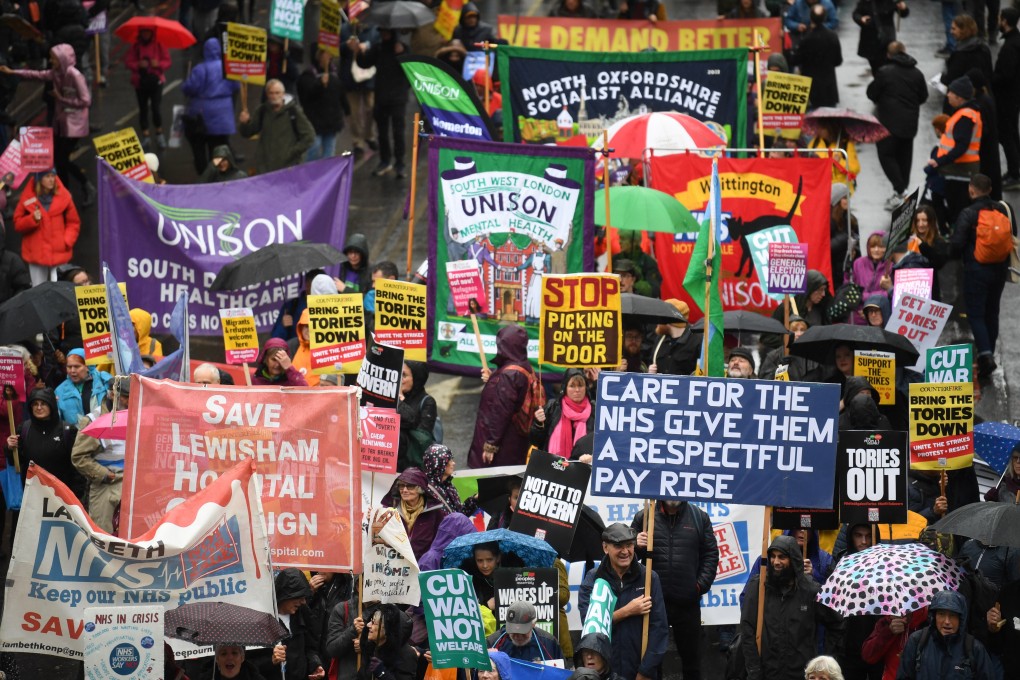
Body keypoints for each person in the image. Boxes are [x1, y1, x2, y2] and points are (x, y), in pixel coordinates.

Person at [630, 501, 718, 680]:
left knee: (692, 663)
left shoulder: (699, 517)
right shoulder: (644, 516)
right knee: (652, 663)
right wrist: (635, 545)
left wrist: (699, 586)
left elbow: (710, 553)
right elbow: (627, 557)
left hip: (687, 603)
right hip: (653, 603)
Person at [0, 45, 95, 206]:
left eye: (54, 58)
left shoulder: (75, 75)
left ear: (62, 59)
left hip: (75, 125)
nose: (51, 60)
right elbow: (36, 75)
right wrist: (12, 72)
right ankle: (66, 194)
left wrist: (61, 98)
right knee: (58, 159)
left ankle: (84, 185)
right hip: (61, 122)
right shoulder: (55, 73)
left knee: (61, 159)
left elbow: (86, 100)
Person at [740, 535, 844, 680]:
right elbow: (747, 630)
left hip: (802, 673)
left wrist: (825, 660)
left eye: (782, 557)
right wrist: (754, 671)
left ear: (793, 559)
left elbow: (837, 623)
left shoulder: (810, 590)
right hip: (767, 673)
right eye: (773, 556)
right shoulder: (758, 587)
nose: (776, 562)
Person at [578, 524, 668, 680]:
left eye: (629, 545)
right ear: (605, 547)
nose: (625, 551)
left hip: (639, 670)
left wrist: (646, 671)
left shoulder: (649, 577)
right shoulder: (593, 579)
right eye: (618, 546)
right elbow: (590, 624)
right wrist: (626, 611)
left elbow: (659, 629)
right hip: (606, 672)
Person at [949, 173, 1012, 382]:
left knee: (976, 314)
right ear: (990, 189)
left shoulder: (968, 214)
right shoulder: (1002, 209)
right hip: (1000, 269)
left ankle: (985, 355)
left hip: (976, 270)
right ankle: (989, 353)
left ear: (971, 190)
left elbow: (956, 244)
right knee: (992, 312)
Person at [468, 325, 540, 468]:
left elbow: (501, 411)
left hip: (504, 444)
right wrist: (494, 379)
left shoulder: (509, 374)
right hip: (516, 441)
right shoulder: (523, 366)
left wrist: (491, 445)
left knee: (493, 479)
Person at [867, 42, 928, 208]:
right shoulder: (917, 73)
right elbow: (923, 96)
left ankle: (901, 191)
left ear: (889, 55)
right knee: (904, 158)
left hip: (888, 123)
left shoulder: (884, 72)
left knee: (885, 155)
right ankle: (901, 191)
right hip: (910, 123)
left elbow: (872, 93)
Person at [71, 376, 130, 533]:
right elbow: (79, 457)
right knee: (103, 535)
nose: (129, 401)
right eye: (125, 396)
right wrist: (104, 474)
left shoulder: (137, 415)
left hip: (131, 484)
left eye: (131, 396)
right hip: (107, 484)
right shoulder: (94, 419)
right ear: (112, 394)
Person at [896, 590, 999, 680]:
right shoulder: (917, 641)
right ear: (934, 616)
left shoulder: (974, 649)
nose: (947, 621)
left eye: (953, 615)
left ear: (961, 619)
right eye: (941, 614)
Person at [249, 568, 325, 680]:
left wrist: (315, 665)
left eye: (304, 597)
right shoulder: (261, 619)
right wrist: (271, 660)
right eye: (299, 597)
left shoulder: (303, 612)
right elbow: (249, 663)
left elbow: (310, 647)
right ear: (286, 595)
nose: (303, 601)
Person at [352, 30, 410, 178]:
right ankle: (385, 160)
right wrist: (358, 52)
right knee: (382, 132)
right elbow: (364, 63)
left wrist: (402, 54)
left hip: (398, 98)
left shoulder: (403, 48)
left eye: (387, 32)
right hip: (381, 96)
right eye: (382, 31)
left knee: (398, 132)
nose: (384, 34)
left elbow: (411, 69)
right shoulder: (378, 48)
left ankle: (400, 163)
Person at [6, 387, 81, 495]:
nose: (39, 407)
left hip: (62, 495)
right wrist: (10, 448)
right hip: (34, 494)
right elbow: (15, 461)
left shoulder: (67, 431)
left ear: (51, 405)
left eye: (43, 403)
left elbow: (76, 467)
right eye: (35, 404)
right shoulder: (24, 429)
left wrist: (76, 495)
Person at [181, 37, 240, 174]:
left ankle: (204, 176)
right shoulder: (227, 68)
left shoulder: (200, 69)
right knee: (219, 149)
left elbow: (190, 88)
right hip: (223, 116)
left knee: (200, 149)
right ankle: (219, 175)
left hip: (202, 115)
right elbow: (236, 86)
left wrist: (185, 84)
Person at [13, 169, 81, 286]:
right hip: (36, 253)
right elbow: (18, 224)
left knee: (61, 288)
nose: (51, 179)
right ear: (39, 179)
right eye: (47, 176)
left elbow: (73, 222)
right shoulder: (27, 197)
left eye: (53, 176)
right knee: (38, 289)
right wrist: (32, 219)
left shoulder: (64, 196)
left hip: (59, 252)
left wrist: (67, 241)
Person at [929, 76, 983, 223]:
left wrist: (940, 161)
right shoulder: (964, 113)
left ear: (959, 97)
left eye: (951, 92)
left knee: (958, 211)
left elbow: (961, 146)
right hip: (959, 170)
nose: (948, 95)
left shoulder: (965, 116)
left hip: (960, 171)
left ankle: (957, 234)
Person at [238, 78, 315, 174]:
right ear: (267, 95)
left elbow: (309, 136)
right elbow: (248, 132)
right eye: (271, 93)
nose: (274, 96)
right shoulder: (262, 111)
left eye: (277, 93)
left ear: (283, 94)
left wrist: (292, 153)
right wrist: (244, 123)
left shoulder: (293, 112)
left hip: (288, 168)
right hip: (265, 167)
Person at [381, 467, 443, 560]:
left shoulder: (435, 513)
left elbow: (440, 542)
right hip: (395, 565)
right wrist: (372, 520)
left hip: (422, 565)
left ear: (420, 489)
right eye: (401, 486)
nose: (404, 490)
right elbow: (379, 537)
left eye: (410, 486)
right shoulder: (389, 510)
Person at [530, 368, 593, 457]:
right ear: (565, 388)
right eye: (572, 386)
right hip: (553, 463)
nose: (577, 390)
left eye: (580, 385)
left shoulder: (594, 409)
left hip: (585, 463)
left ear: (586, 388)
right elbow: (535, 441)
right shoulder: (553, 407)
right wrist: (538, 424)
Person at [125, 28, 171, 150]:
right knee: (143, 109)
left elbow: (167, 61)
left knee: (156, 108)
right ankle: (145, 135)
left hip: (156, 82)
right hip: (140, 82)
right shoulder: (136, 46)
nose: (146, 34)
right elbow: (128, 62)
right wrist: (138, 65)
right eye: (144, 32)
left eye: (148, 32)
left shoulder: (159, 45)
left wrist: (158, 64)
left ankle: (159, 133)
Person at [298, 48, 347, 162]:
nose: (328, 57)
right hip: (315, 121)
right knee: (314, 149)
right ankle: (310, 171)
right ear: (318, 56)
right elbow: (306, 95)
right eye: (325, 54)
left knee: (329, 152)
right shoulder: (308, 74)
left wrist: (346, 108)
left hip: (332, 120)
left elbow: (340, 93)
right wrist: (320, 84)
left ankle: (326, 172)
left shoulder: (334, 73)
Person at [795, 4, 843, 108]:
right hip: (829, 87)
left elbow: (796, 60)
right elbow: (838, 61)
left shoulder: (806, 39)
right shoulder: (832, 36)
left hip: (811, 88)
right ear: (825, 17)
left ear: (811, 18)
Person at [487, 600, 564, 663]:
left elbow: (562, 673)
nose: (518, 636)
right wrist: (486, 658)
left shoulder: (548, 643)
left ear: (533, 624)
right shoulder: (493, 642)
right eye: (513, 631)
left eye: (522, 631)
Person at [356, 604, 417, 680]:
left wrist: (382, 673)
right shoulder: (371, 648)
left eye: (374, 623)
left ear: (387, 630)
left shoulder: (406, 654)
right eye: (370, 621)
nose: (368, 625)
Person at [994, 8, 1020, 190]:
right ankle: (1015, 170)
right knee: (1012, 133)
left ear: (1004, 21)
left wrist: (990, 79)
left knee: (1006, 135)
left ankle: (1014, 174)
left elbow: (1006, 75)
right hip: (1014, 96)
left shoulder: (1010, 46)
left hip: (1006, 98)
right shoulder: (1016, 41)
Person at [54, 348, 111, 425]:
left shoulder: (103, 381)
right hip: (76, 432)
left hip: (105, 429)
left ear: (87, 366)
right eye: (69, 367)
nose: (72, 371)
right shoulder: (60, 391)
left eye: (77, 367)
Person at [397, 361, 436, 471]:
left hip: (412, 466)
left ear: (417, 378)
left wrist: (400, 402)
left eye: (404, 375)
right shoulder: (394, 397)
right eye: (399, 373)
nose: (399, 379)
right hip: (392, 460)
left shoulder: (428, 402)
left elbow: (421, 438)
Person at [941, 15, 994, 97]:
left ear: (963, 30)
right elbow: (989, 73)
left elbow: (951, 79)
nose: (951, 32)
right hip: (983, 95)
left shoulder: (959, 54)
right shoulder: (984, 48)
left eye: (954, 29)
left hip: (962, 97)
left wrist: (942, 77)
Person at [853, 0, 909, 74]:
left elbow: (903, 13)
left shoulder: (891, 1)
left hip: (887, 39)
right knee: (875, 66)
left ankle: (883, 79)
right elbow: (856, 14)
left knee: (887, 65)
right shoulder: (865, 2)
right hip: (870, 40)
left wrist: (903, 8)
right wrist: (861, 19)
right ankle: (879, 78)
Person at [849, 232, 892, 324]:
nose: (876, 250)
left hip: (881, 315)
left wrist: (864, 297)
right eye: (873, 246)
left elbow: (890, 292)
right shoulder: (858, 263)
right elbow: (851, 290)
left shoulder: (891, 265)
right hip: (859, 314)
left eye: (881, 247)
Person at [647, 299, 698, 376]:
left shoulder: (696, 340)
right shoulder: (660, 339)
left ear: (668, 318)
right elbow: (651, 362)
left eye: (660, 316)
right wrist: (650, 373)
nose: (657, 321)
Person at [422, 444, 475, 516]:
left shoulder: (449, 485)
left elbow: (459, 514)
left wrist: (474, 499)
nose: (453, 463)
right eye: (450, 460)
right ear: (440, 463)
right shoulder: (427, 489)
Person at [809, 121, 858, 192]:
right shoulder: (814, 143)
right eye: (818, 127)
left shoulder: (846, 145)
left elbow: (855, 169)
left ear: (830, 129)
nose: (819, 130)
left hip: (841, 188)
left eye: (823, 128)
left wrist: (840, 162)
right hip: (819, 187)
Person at [830, 183, 859, 277]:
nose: (848, 200)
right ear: (837, 200)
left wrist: (855, 250)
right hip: (833, 270)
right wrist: (846, 237)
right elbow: (826, 247)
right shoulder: (828, 220)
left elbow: (858, 247)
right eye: (845, 198)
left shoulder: (852, 219)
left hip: (847, 269)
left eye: (849, 197)